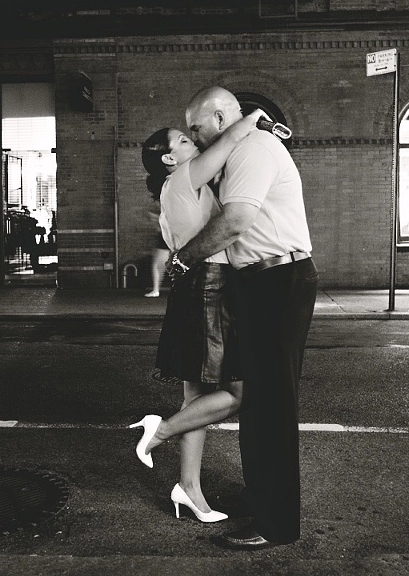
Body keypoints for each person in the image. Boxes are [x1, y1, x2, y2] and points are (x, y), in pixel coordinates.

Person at [169, 87, 317, 550]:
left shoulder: (253, 149)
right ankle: (265, 501)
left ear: (218, 116)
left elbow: (235, 221)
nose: (194, 135)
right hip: (259, 282)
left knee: (271, 406)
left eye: (196, 127)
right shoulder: (242, 147)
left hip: (278, 279)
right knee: (255, 400)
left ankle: (276, 525)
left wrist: (182, 261)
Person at [130, 107, 268, 523]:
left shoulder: (180, 185)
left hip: (196, 285)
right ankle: (162, 430)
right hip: (211, 284)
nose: (195, 143)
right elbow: (228, 141)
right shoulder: (183, 177)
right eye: (186, 140)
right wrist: (254, 116)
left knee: (195, 397)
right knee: (241, 392)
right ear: (171, 158)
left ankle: (188, 489)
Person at [145, 205, 170, 297]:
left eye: (152, 217)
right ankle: (156, 290)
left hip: (164, 246)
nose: (151, 219)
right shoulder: (162, 225)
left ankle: (156, 290)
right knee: (158, 267)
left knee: (157, 267)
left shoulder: (163, 224)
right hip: (164, 246)